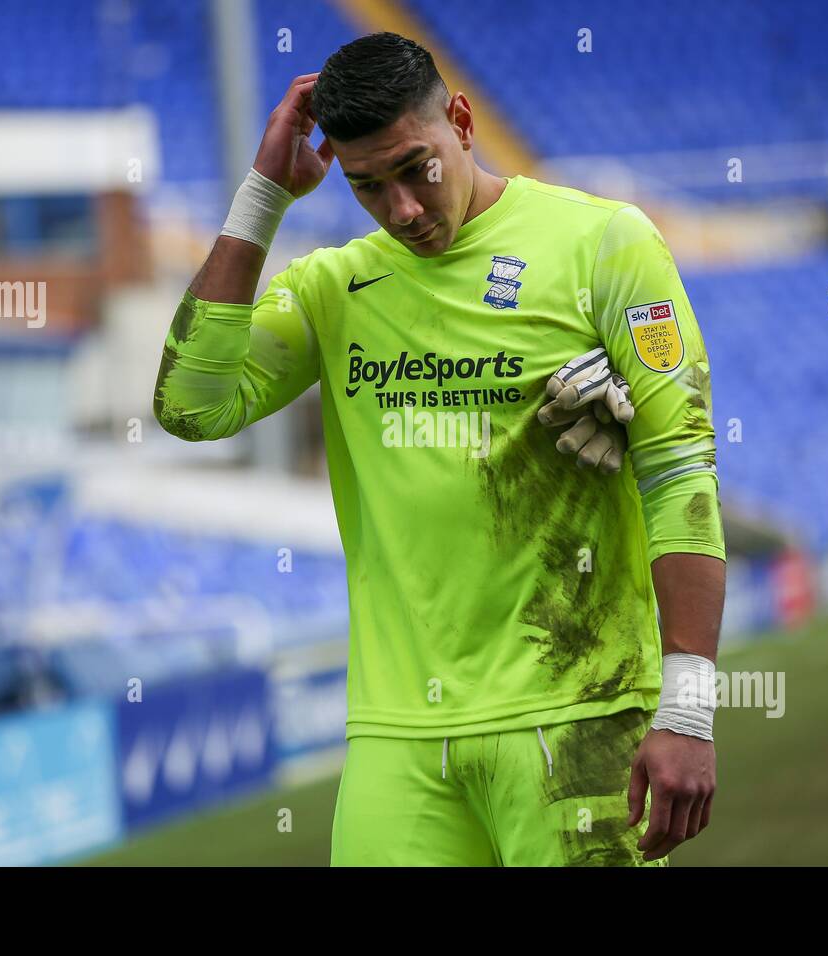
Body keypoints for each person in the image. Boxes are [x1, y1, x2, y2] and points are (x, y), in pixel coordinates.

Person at [153, 32, 726, 866]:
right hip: (399, 742)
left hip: (578, 718)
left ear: (461, 122)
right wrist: (262, 199)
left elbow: (681, 472)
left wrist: (688, 710)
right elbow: (188, 407)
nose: (403, 210)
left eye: (414, 169)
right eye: (367, 187)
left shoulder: (606, 246)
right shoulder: (337, 288)